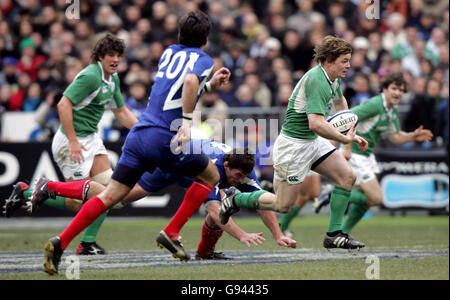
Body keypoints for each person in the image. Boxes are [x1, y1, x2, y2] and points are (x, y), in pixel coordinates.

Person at [40, 11, 231, 275]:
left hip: (139, 133)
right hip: (164, 137)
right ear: (206, 39)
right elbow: (188, 82)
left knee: (110, 197)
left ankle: (60, 242)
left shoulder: (168, 52)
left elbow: (176, 89)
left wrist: (208, 86)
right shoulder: (204, 58)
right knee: (210, 174)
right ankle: (172, 232)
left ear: (179, 34)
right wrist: (187, 123)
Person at [29, 139, 297, 260]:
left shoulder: (239, 171)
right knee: (118, 197)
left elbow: (262, 202)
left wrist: (277, 233)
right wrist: (242, 236)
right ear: (226, 165)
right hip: (172, 164)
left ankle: (204, 252)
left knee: (118, 198)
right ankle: (50, 185)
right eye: (237, 176)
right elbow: (215, 213)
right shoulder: (214, 169)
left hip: (185, 166)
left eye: (242, 178)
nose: (239, 181)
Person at [219, 35, 369, 250]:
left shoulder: (333, 78)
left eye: (348, 59)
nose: (348, 64)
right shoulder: (317, 80)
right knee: (283, 205)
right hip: (294, 147)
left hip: (311, 142)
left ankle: (334, 234)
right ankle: (235, 200)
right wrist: (344, 138)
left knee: (347, 176)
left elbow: (339, 102)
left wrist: (348, 128)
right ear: (328, 60)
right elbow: (315, 123)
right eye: (344, 60)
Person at [3, 34, 138, 255]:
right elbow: (63, 104)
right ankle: (27, 193)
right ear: (100, 57)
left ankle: (86, 244)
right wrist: (74, 141)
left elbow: (121, 111)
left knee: (111, 193)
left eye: (119, 56)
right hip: (70, 141)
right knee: (80, 202)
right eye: (111, 55)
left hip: (91, 139)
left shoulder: (112, 79)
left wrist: (145, 132)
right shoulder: (90, 76)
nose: (115, 59)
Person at [340, 72, 433, 234]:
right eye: (394, 88)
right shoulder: (375, 105)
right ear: (384, 89)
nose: (397, 93)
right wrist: (346, 147)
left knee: (368, 201)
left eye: (401, 90)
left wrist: (413, 136)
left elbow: (395, 137)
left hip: (366, 156)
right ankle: (332, 193)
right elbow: (347, 118)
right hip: (356, 154)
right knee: (376, 198)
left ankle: (342, 233)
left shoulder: (392, 110)